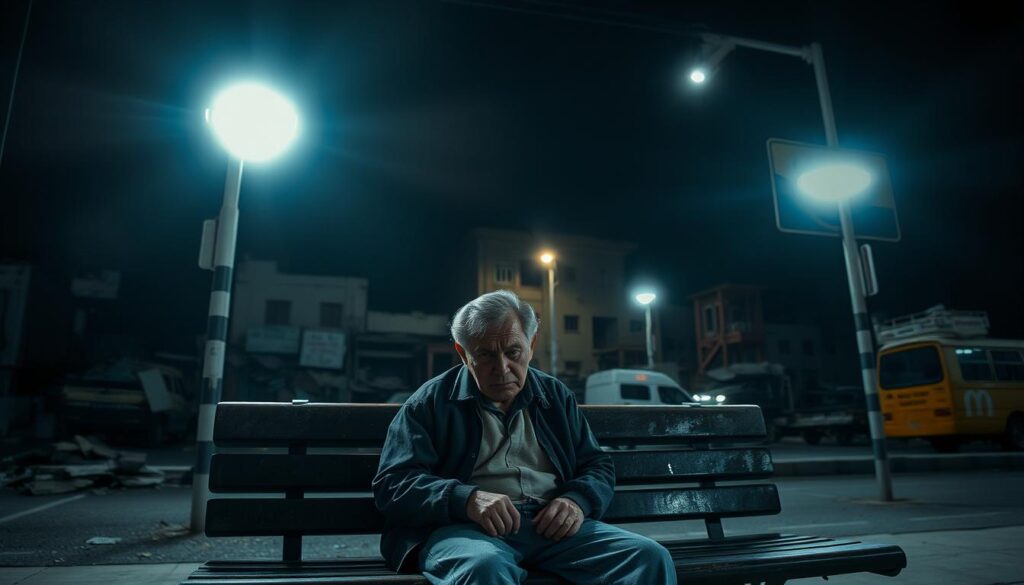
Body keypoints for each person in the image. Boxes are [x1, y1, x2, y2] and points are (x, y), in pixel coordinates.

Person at [373, 290, 676, 584]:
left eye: (513, 352)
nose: (502, 368)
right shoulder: (429, 402)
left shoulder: (555, 395)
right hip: (466, 530)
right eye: (485, 355)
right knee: (484, 567)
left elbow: (597, 464)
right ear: (463, 353)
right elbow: (393, 483)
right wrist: (467, 499)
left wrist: (576, 500)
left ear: (531, 345)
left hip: (551, 528)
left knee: (648, 557)